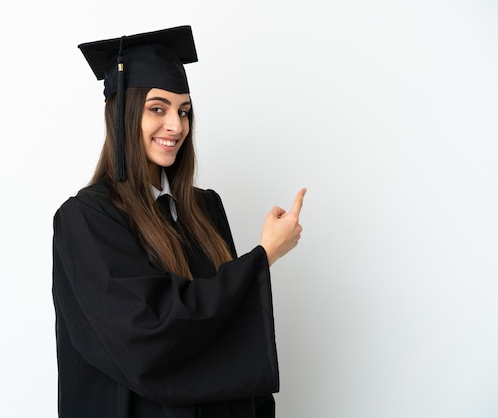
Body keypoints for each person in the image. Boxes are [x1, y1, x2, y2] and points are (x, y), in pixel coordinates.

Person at [52, 25, 307, 418]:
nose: (176, 126)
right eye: (158, 108)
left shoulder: (204, 209)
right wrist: (263, 256)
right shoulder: (86, 219)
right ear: (121, 116)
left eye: (184, 111)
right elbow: (153, 331)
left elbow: (228, 329)